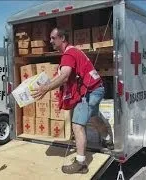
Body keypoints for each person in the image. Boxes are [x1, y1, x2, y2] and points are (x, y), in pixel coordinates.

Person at [32, 28, 113, 174]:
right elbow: (62, 77)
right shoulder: (73, 51)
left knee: (77, 126)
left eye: (52, 38)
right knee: (94, 118)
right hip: (96, 88)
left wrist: (46, 88)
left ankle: (81, 163)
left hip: (90, 92)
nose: (50, 41)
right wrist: (48, 85)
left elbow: (64, 76)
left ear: (62, 38)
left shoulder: (68, 54)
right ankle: (107, 139)